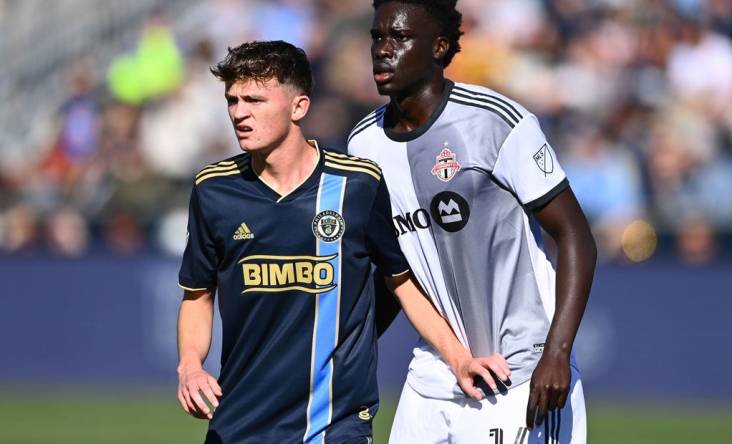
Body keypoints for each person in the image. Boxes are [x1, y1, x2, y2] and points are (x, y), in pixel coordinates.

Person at [175, 40, 508, 444]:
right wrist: (190, 366)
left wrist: (459, 359)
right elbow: (197, 294)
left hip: (335, 420)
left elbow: (401, 282)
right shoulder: (215, 190)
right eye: (233, 100)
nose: (239, 113)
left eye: (255, 100)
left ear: (299, 107)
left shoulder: (357, 184)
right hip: (240, 418)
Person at [347, 1, 597, 443]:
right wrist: (346, 352)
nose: (383, 50)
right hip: (434, 373)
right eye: (376, 37)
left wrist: (556, 352)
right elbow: (392, 271)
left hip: (519, 369)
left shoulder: (494, 122)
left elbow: (574, 234)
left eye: (400, 38)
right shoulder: (363, 145)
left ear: (440, 48)